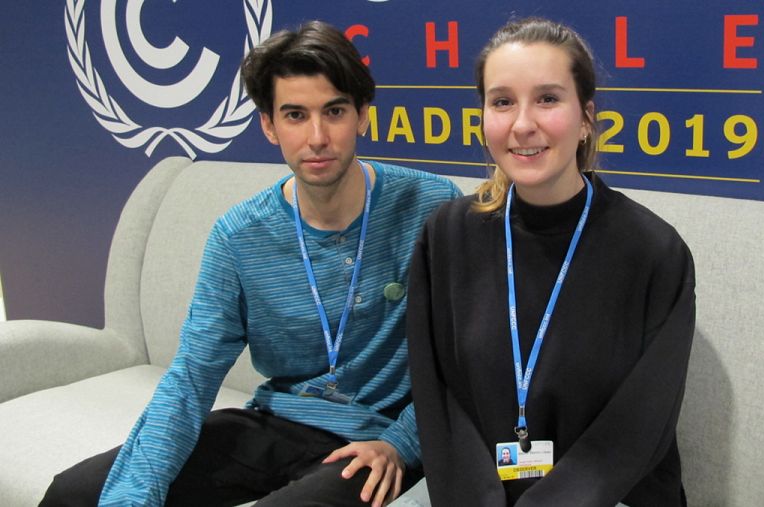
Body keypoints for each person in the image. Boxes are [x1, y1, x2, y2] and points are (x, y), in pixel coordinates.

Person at [41, 20, 461, 507]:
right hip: (276, 420)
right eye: (295, 115)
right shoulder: (238, 236)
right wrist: (136, 494)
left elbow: (460, 359)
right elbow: (191, 376)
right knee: (75, 494)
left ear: (362, 115)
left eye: (335, 111)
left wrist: (401, 445)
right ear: (268, 124)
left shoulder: (430, 206)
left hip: (376, 437)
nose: (318, 136)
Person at [407, 17, 695, 507]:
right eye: (502, 101)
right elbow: (441, 400)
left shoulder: (654, 251)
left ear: (585, 117)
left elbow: (640, 427)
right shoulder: (447, 236)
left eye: (547, 98)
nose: (522, 124)